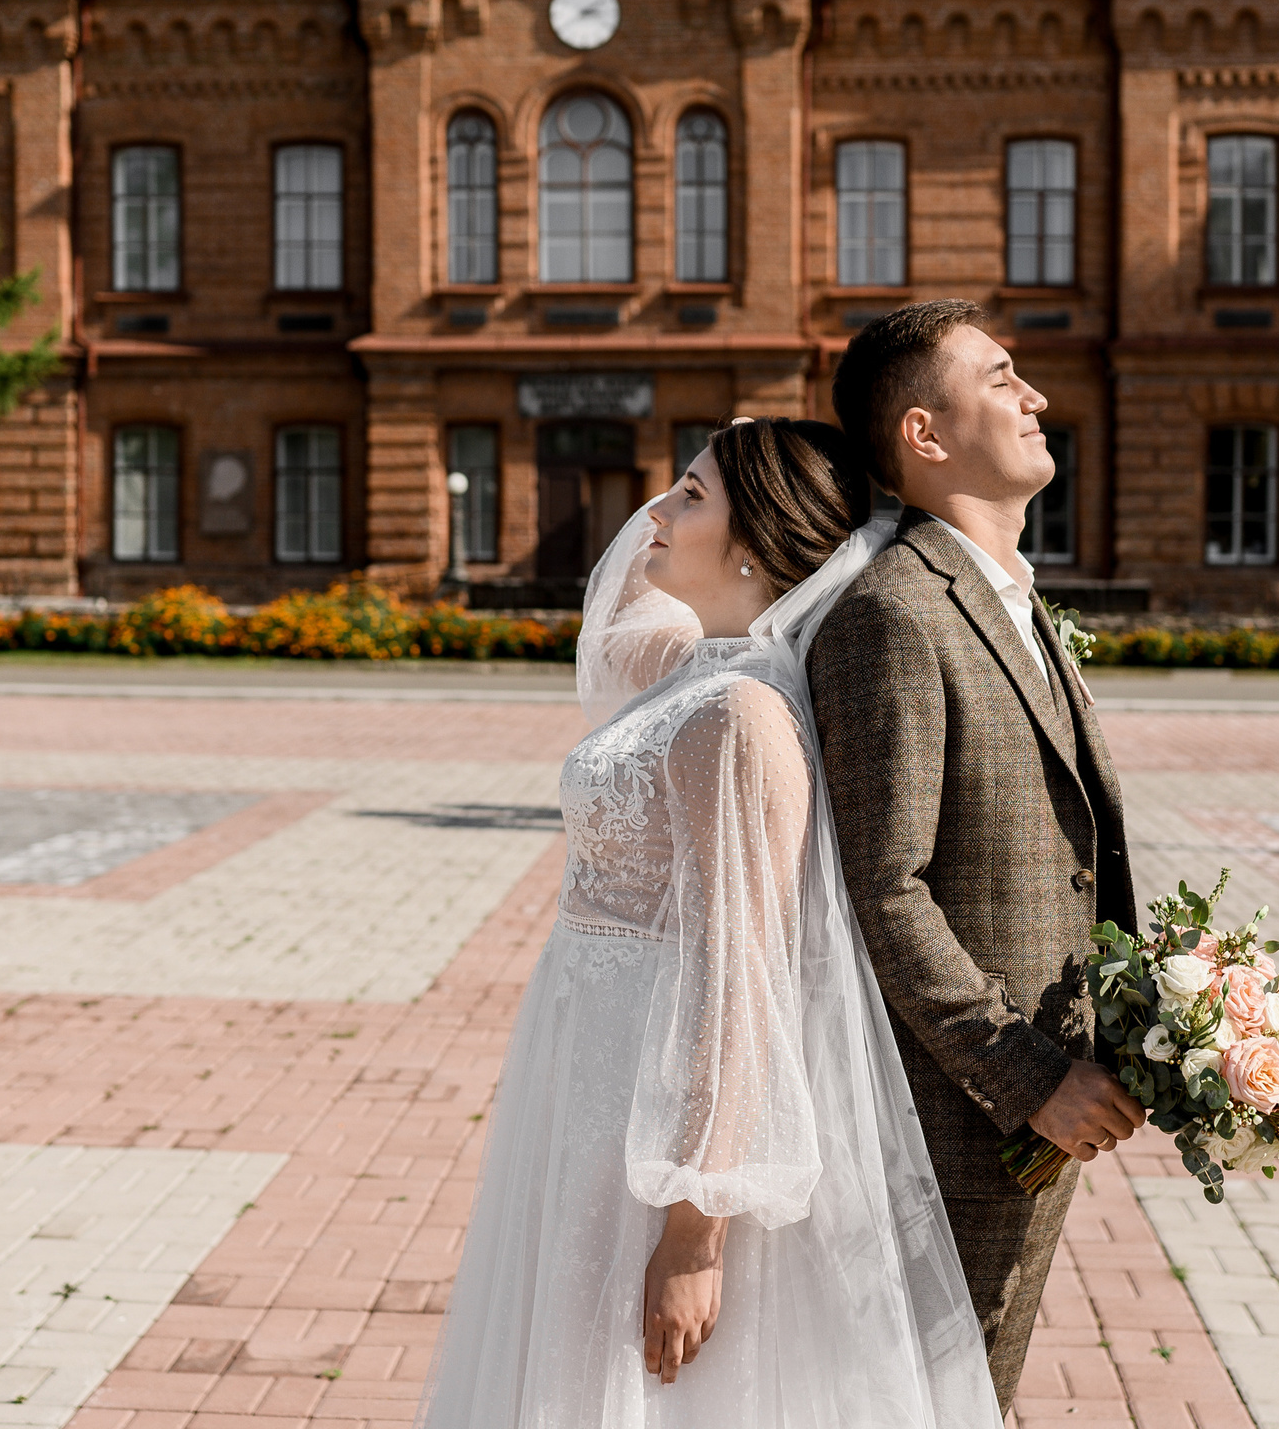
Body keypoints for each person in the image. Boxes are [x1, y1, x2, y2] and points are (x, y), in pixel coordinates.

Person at [419, 417, 1001, 1428]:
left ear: (751, 544)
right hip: (591, 1073)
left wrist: (694, 1231)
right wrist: (716, 474)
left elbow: (742, 977)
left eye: (688, 496)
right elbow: (610, 630)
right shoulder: (688, 667)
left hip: (663, 1094)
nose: (653, 512)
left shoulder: (738, 718)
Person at [808, 301, 1146, 1416]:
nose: (1035, 396)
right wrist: (1031, 1081)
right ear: (924, 434)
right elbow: (883, 889)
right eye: (1001, 379)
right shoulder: (895, 616)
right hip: (954, 1116)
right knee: (931, 1397)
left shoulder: (1011, 600)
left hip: (1035, 1108)